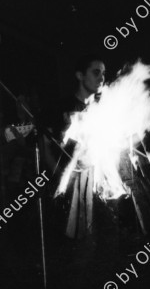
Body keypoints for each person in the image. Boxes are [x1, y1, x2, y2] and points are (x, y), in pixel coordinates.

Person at [43, 54, 106, 240]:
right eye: (96, 72)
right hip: (67, 188)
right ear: (80, 75)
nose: (101, 78)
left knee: (97, 242)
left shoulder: (105, 107)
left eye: (103, 73)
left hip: (97, 187)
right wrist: (59, 177)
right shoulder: (60, 107)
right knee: (70, 243)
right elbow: (45, 145)